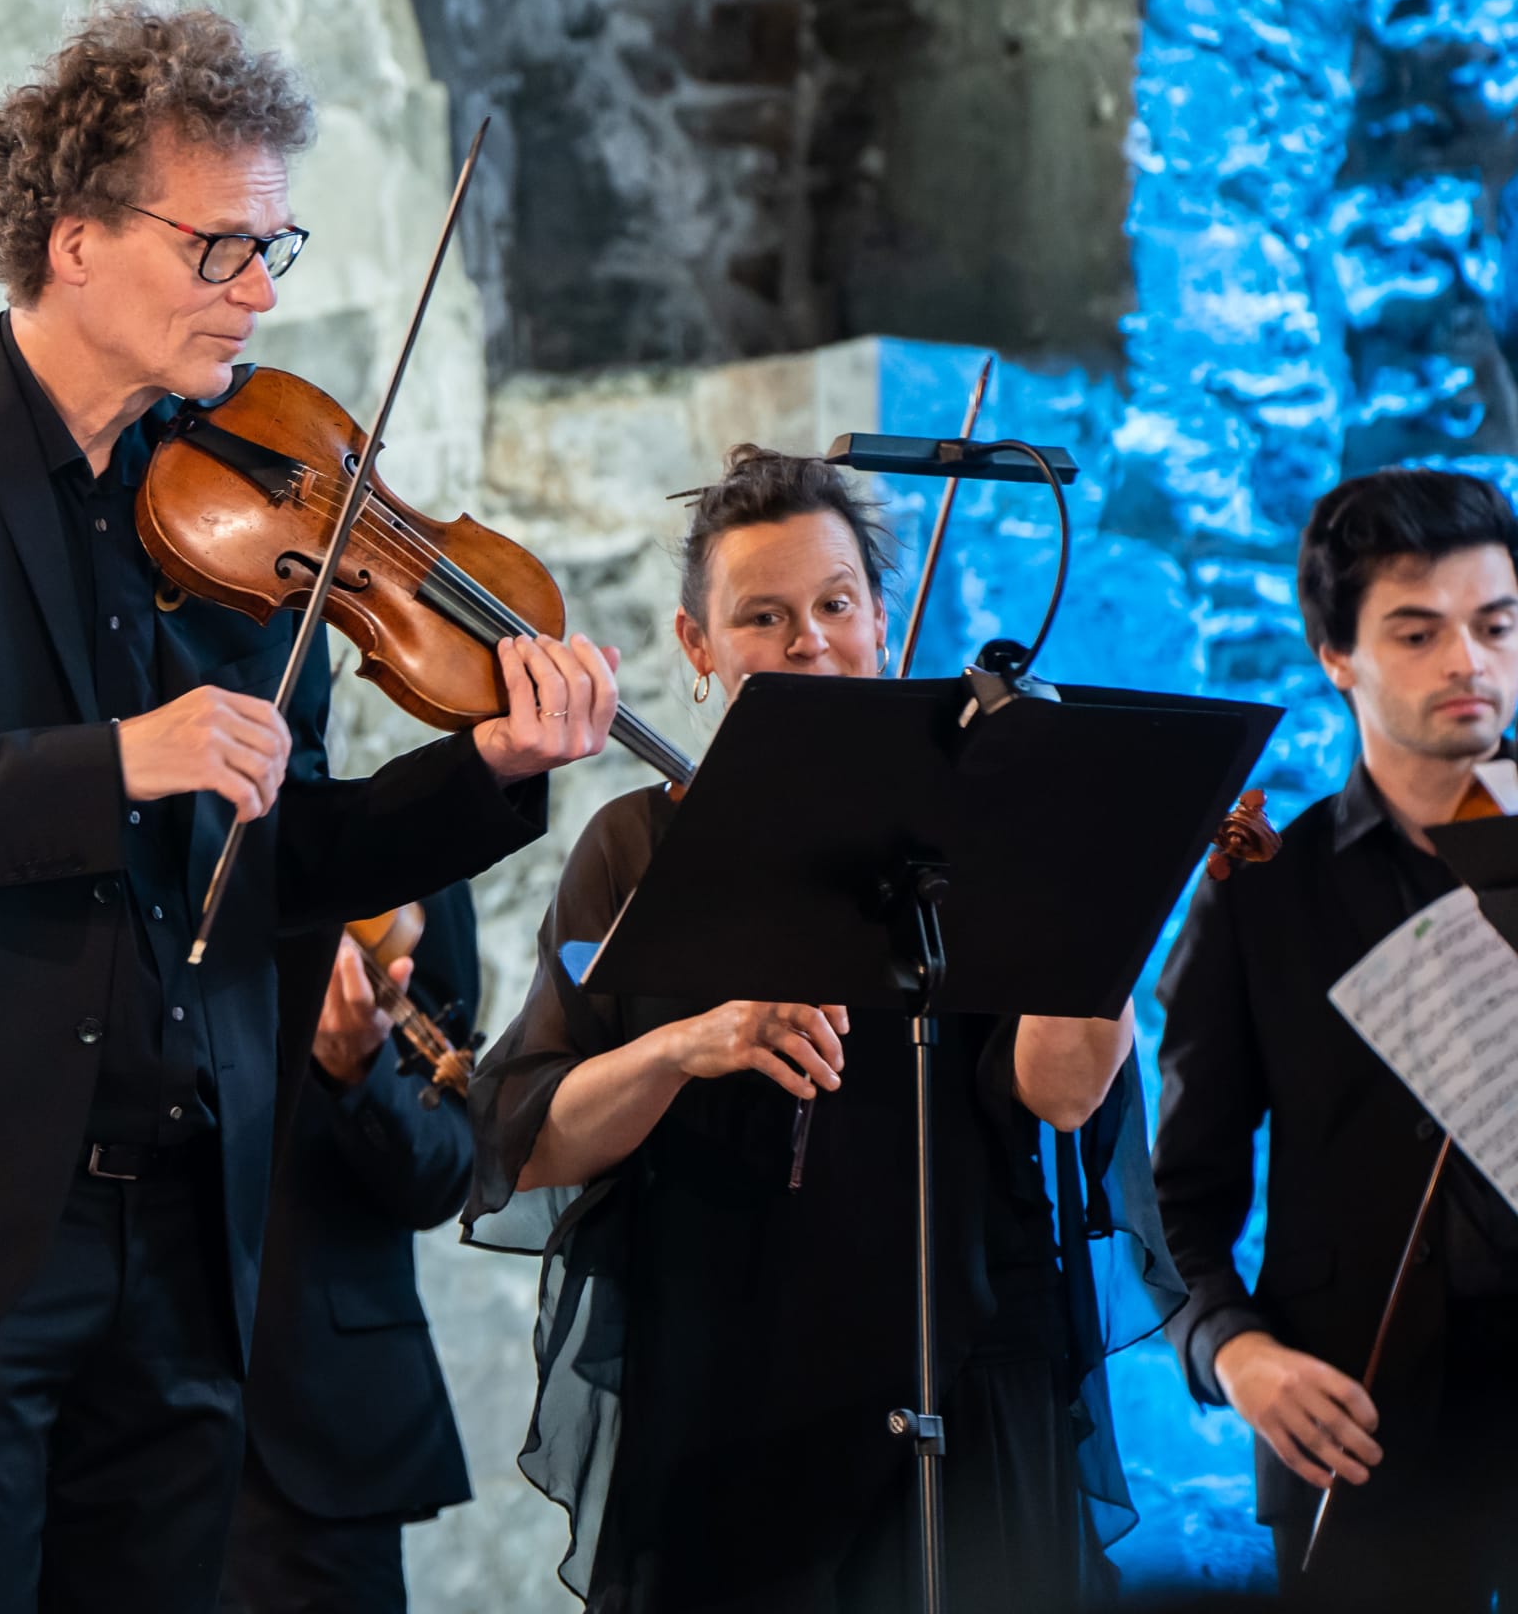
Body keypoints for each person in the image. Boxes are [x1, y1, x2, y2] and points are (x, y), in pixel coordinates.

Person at [0, 0, 617, 1614]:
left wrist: (485, 772)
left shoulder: (249, 498)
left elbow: (286, 857)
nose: (262, 289)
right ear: (72, 242)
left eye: (277, 246)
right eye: (221, 247)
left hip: (192, 1216)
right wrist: (114, 758)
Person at [464, 446, 1178, 1614]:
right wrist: (684, 1042)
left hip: (973, 1367)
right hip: (735, 1393)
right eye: (764, 615)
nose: (811, 640)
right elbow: (527, 1138)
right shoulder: (635, 847)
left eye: (837, 604)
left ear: (883, 618)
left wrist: (1101, 910)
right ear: (697, 647)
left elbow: (1060, 1092)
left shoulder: (981, 833)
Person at [1155, 468, 1518, 1606]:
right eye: (1417, 631)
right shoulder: (1265, 890)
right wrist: (1234, 1351)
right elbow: (1175, 1201)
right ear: (1335, 654)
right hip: (1355, 1437)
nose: (1469, 660)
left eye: (1497, 623)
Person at [222, 885, 483, 1614]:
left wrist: (356, 1072)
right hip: (97, 1408)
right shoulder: (108, 826)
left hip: (305, 1425)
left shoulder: (406, 856)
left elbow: (446, 1166)